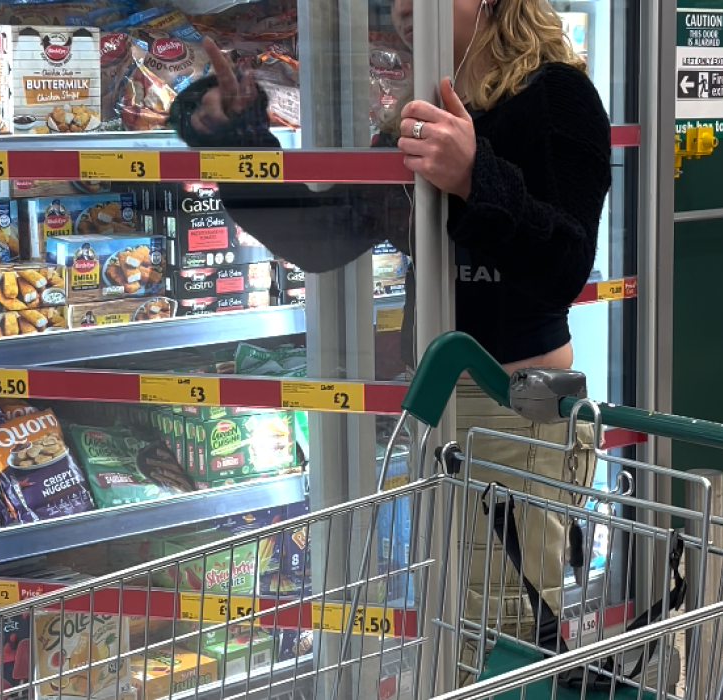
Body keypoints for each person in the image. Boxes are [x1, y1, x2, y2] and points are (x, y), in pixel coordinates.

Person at [170, 0, 611, 677]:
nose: (408, 7)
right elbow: (324, 237)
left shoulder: (555, 95)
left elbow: (564, 266)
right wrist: (240, 136)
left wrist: (474, 177)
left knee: (501, 640)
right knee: (452, 633)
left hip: (511, 403)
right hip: (434, 405)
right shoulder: (420, 113)